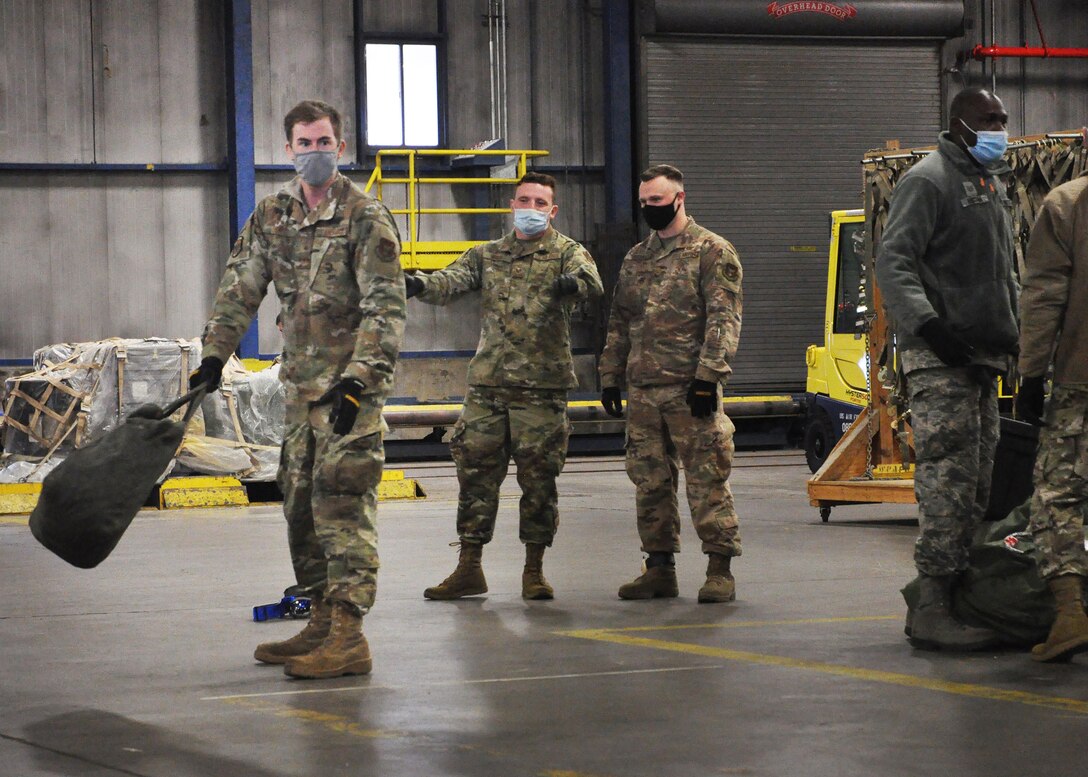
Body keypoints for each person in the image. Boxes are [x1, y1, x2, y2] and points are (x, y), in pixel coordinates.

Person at [189, 99, 405, 678]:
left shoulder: (366, 216)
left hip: (349, 396)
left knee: (343, 508)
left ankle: (350, 636)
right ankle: (321, 621)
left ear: (341, 146)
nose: (314, 152)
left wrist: (361, 380)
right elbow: (240, 286)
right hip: (300, 393)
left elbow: (386, 309)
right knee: (300, 507)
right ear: (288, 149)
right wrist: (214, 355)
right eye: (304, 143)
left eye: (323, 142)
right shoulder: (272, 215)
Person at [407, 172, 603, 601]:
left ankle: (534, 571)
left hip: (541, 390)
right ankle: (469, 568)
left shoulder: (567, 252)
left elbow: (592, 282)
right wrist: (419, 283)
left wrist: (572, 284)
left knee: (539, 481)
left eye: (540, 203)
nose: (531, 208)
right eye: (524, 200)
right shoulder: (488, 254)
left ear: (552, 211)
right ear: (512, 205)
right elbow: (450, 281)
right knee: (475, 477)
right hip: (488, 388)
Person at [874, 87, 1018, 651]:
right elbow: (894, 261)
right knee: (947, 481)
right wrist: (930, 327)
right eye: (990, 119)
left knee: (978, 483)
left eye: (1002, 119)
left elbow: (1002, 273)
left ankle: (958, 597)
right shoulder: (928, 180)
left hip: (981, 356)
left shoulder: (989, 182)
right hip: (940, 358)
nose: (999, 128)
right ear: (960, 123)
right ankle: (931, 604)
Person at [599, 164, 743, 604]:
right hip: (643, 390)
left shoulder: (711, 250)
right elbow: (621, 319)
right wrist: (610, 374)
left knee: (707, 479)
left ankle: (719, 570)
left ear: (680, 198)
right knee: (650, 482)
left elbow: (723, 318)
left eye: (657, 201)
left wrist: (709, 377)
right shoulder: (636, 257)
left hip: (689, 389)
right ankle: (659, 568)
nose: (649, 208)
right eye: (644, 202)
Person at [1016, 167, 1088, 663]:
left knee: (1058, 494)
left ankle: (1070, 614)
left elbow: (1043, 296)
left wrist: (1030, 374)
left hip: (1081, 381)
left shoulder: (1067, 204)